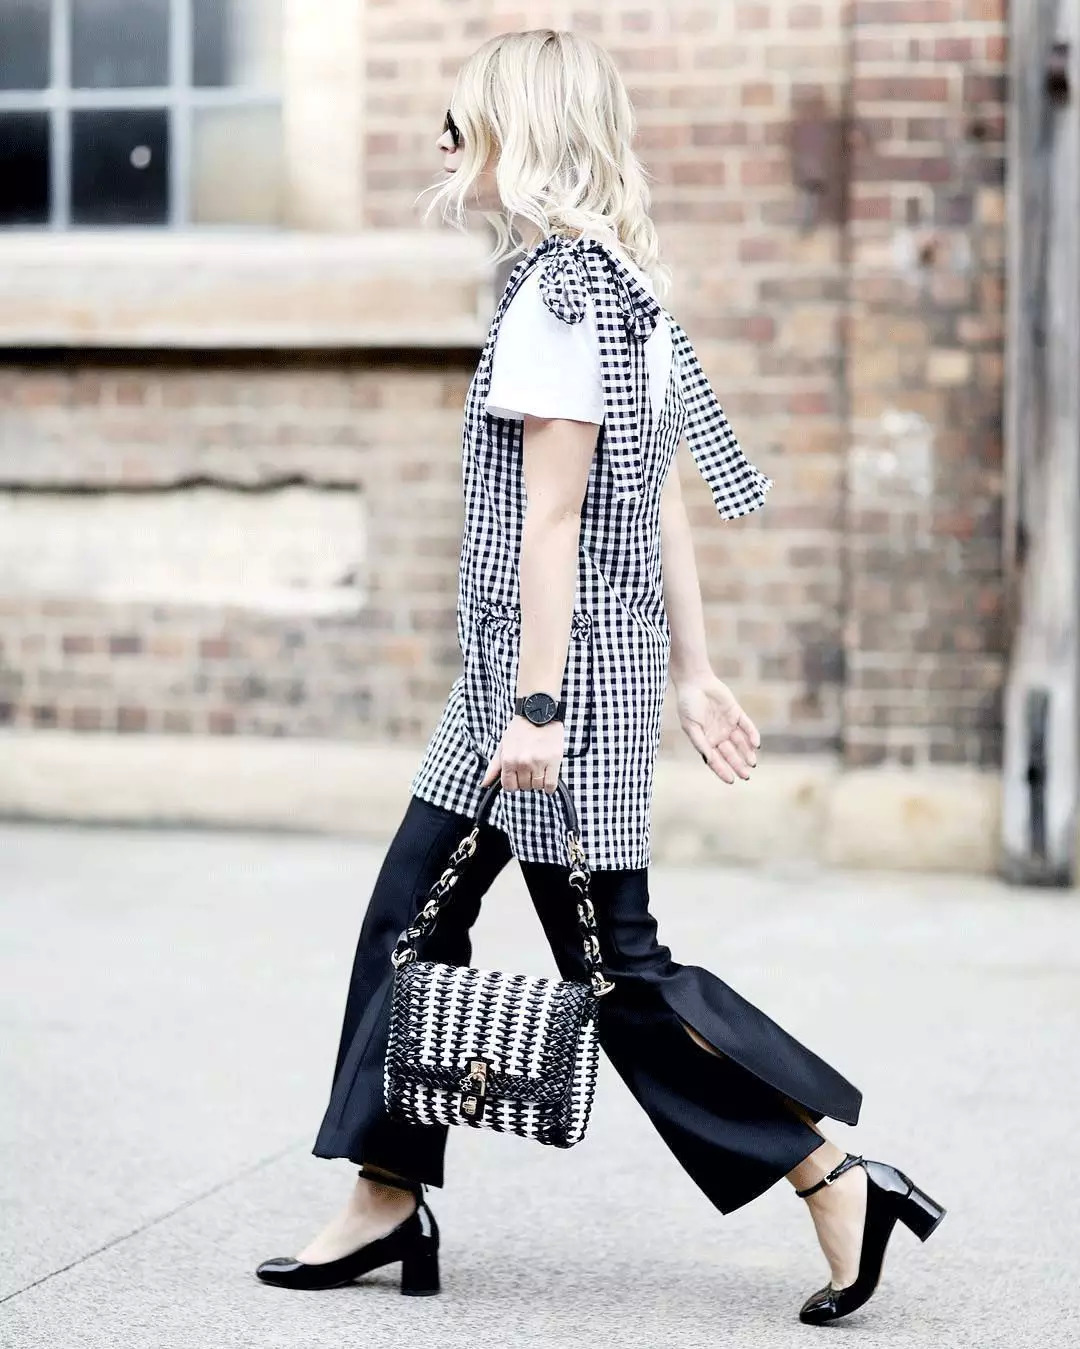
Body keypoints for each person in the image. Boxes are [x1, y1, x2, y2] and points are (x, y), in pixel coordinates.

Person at [255, 29, 944, 1326]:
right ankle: (385, 1189)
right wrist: (695, 668)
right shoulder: (610, 285)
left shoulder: (560, 304)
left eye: (463, 120)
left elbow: (558, 519)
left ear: (523, 134)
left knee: (616, 968)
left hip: (548, 698)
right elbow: (660, 498)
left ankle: (830, 1173)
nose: (444, 143)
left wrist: (537, 707)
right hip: (535, 688)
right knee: (409, 923)